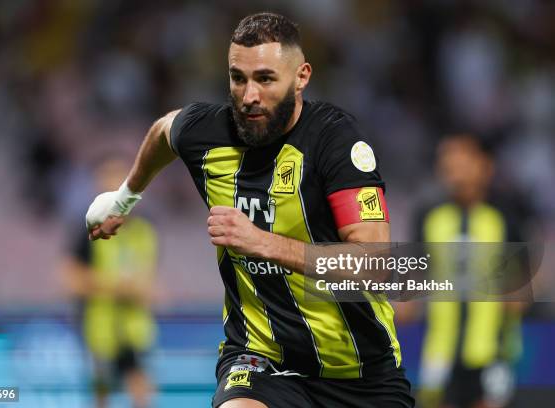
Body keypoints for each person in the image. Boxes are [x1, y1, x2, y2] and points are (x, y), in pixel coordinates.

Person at [85, 12, 413, 408]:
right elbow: (162, 132)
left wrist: (263, 243)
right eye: (238, 78)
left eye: (265, 79)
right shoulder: (205, 132)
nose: (248, 95)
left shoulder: (335, 142)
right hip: (262, 360)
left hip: (360, 371)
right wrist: (124, 198)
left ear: (302, 77)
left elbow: (376, 264)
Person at [412, 134, 525, 408]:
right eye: (447, 161)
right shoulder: (429, 217)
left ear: (485, 166)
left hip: (491, 350)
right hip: (440, 351)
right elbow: (413, 278)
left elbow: (522, 283)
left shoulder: (504, 218)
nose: (453, 168)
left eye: (462, 159)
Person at [65, 157, 157, 408]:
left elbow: (151, 281)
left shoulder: (145, 230)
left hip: (134, 328)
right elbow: (70, 278)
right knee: (101, 390)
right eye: (107, 178)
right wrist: (115, 287)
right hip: (100, 327)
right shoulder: (85, 229)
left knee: (140, 388)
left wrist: (147, 292)